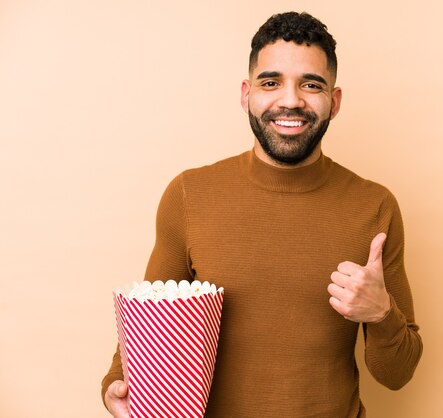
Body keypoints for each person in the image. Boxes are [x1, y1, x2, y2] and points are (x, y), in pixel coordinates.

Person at [102, 11, 422, 418]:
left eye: (311, 85)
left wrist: (381, 312)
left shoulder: (374, 207)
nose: (290, 100)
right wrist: (115, 384)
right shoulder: (189, 194)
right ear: (245, 95)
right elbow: (147, 326)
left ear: (334, 102)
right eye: (270, 83)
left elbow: (397, 374)